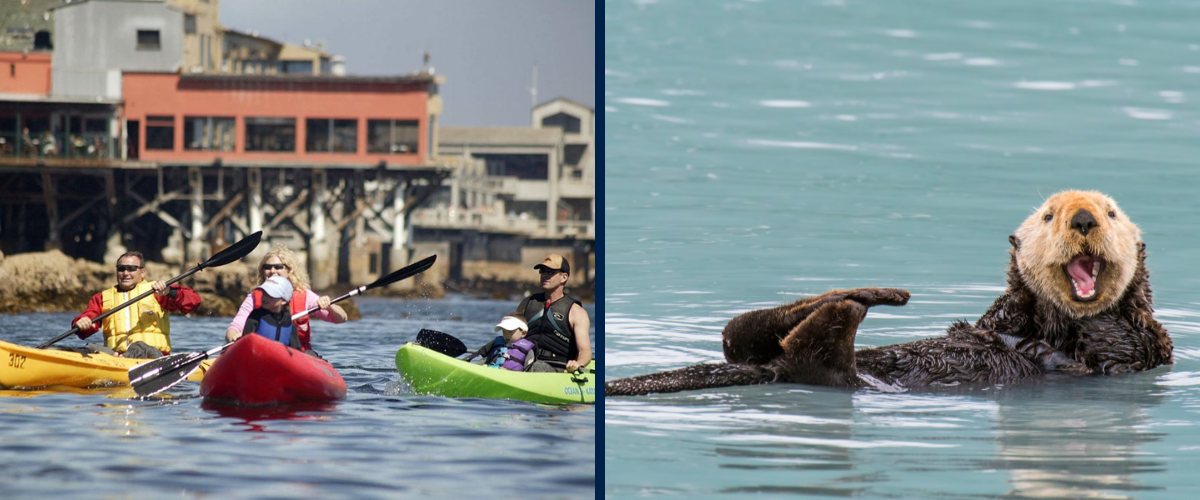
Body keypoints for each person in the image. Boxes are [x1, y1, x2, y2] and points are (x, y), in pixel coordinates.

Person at [71, 251, 201, 358]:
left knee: (138, 347)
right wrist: (83, 323)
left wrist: (169, 292)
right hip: (116, 357)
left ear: (142, 272)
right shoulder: (102, 297)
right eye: (121, 269)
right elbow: (86, 324)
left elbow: (194, 301)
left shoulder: (157, 290)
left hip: (153, 357)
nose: (126, 273)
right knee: (89, 348)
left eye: (131, 269)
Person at [224, 245, 347, 350]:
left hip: (298, 354)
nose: (272, 271)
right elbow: (235, 327)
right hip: (259, 352)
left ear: (290, 270)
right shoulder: (253, 298)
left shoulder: (305, 295)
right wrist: (233, 337)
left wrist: (329, 306)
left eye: (278, 267)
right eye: (267, 267)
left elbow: (341, 318)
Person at [516, 254, 592, 373]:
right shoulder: (527, 304)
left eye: (550, 272)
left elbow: (585, 351)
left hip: (557, 368)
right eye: (542, 271)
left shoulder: (576, 312)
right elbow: (510, 332)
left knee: (538, 367)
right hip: (525, 362)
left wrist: (578, 364)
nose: (544, 275)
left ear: (564, 277)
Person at [239, 275, 302, 349]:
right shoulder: (256, 316)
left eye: (271, 294)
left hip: (280, 358)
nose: (265, 297)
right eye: (264, 293)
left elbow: (296, 350)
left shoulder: (288, 321)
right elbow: (246, 343)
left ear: (283, 301)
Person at [466, 314, 537, 372]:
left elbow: (528, 373)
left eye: (510, 332)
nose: (506, 335)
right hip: (492, 373)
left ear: (523, 333)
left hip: (512, 379)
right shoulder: (497, 343)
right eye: (504, 331)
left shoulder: (528, 350)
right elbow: (484, 360)